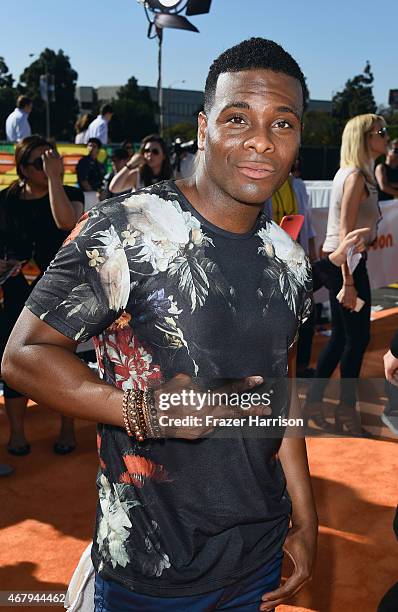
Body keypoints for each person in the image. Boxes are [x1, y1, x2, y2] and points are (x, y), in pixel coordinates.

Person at [2, 38, 318, 611]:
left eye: (284, 123)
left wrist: (307, 511)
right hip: (150, 571)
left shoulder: (290, 258)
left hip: (259, 557)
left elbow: (282, 388)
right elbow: (22, 356)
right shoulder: (125, 229)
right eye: (238, 117)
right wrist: (143, 410)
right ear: (203, 127)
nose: (260, 141)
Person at [0, 135, 84, 455]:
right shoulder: (6, 199)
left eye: (53, 158)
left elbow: (66, 223)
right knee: (13, 360)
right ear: (22, 168)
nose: (49, 165)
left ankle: (67, 428)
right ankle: (18, 433)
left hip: (58, 289)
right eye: (40, 162)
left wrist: (53, 179)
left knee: (62, 361)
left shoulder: (69, 193)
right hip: (16, 287)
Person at [304, 114, 388, 436]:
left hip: (346, 264)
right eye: (380, 132)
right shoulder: (354, 177)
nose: (386, 136)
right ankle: (345, 412)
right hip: (346, 266)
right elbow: (343, 233)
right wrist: (349, 283)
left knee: (343, 338)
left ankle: (315, 403)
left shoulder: (356, 174)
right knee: (357, 339)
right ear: (365, 138)